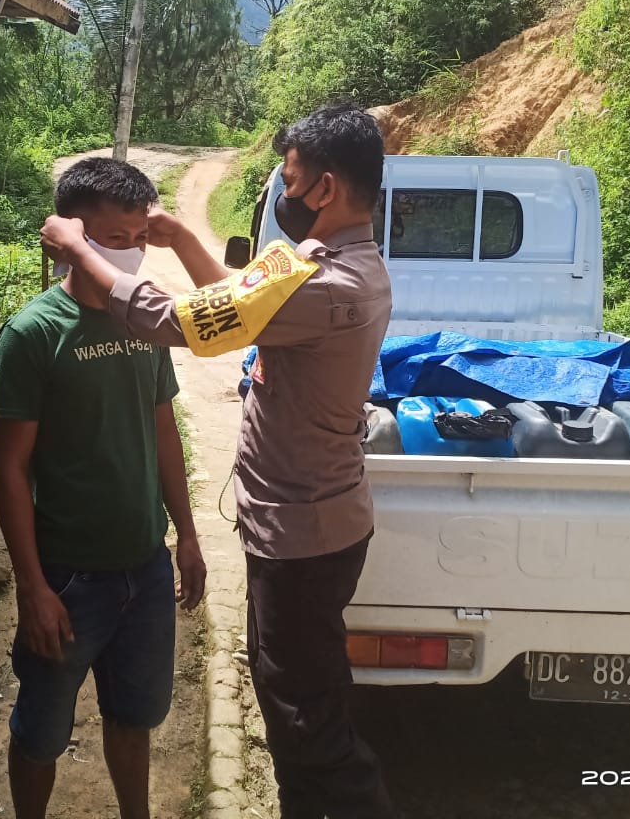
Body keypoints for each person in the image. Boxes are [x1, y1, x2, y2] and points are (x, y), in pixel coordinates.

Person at [40, 106, 397, 819]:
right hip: (302, 529)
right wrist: (172, 235)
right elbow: (233, 306)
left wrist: (82, 253)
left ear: (323, 189)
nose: (280, 196)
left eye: (288, 182)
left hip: (304, 536)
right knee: (289, 699)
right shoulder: (315, 265)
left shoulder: (327, 289)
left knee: (306, 720)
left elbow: (181, 324)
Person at [0, 156, 207, 819]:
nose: (135, 255)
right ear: (71, 237)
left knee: (133, 717)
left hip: (142, 568)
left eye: (141, 239)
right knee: (41, 734)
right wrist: (32, 587)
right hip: (66, 577)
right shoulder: (33, 334)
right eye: (118, 240)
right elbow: (9, 469)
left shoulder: (144, 323)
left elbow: (164, 434)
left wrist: (188, 535)